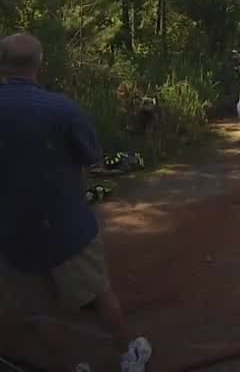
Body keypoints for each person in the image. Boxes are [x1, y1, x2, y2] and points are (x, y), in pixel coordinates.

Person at [0, 33, 152, 371]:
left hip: (11, 233)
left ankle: (71, 366)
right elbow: (91, 158)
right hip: (67, 227)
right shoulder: (61, 108)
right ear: (39, 64)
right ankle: (131, 355)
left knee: (37, 310)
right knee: (98, 294)